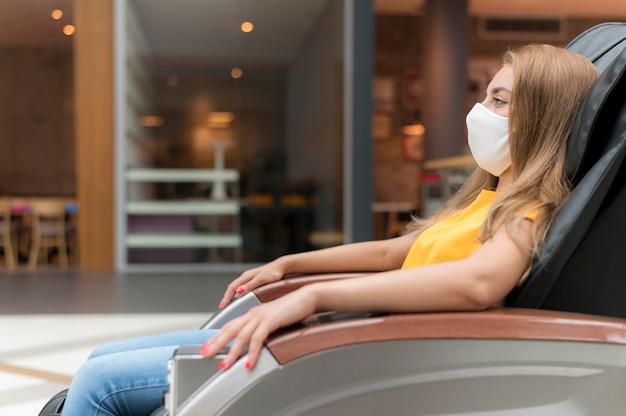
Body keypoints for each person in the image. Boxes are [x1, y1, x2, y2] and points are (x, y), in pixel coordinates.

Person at [59, 44, 598, 415]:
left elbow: (476, 284)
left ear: (543, 121)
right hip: (338, 336)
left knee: (99, 385)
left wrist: (312, 296)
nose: (478, 110)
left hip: (358, 352)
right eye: (486, 95)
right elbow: (393, 254)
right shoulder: (487, 199)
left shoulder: (530, 212)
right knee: (99, 362)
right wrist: (292, 266)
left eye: (499, 101)